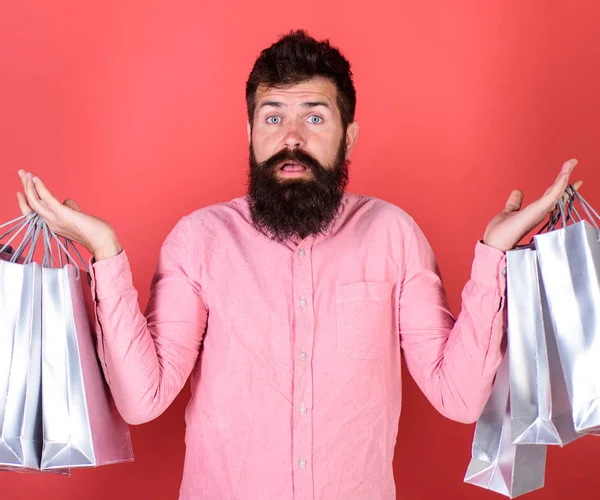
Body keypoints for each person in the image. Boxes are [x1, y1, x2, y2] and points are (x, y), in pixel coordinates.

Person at [15, 30, 579, 500]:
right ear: (249, 132)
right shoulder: (199, 242)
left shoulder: (393, 235)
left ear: (349, 137)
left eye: (314, 118)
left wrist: (494, 254)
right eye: (272, 117)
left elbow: (458, 399)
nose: (291, 138)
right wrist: (107, 252)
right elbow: (143, 400)